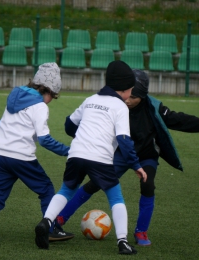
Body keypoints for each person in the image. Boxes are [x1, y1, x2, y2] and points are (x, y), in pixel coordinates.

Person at [56, 69, 199, 246]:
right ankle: (61, 218)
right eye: (128, 96)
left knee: (148, 185)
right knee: (94, 183)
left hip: (146, 156)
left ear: (143, 95)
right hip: (122, 155)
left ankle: (141, 232)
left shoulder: (153, 107)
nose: (128, 100)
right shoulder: (115, 104)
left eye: (134, 97)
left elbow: (179, 120)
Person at [34, 60, 147, 255]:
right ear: (124, 89)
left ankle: (46, 222)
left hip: (76, 153)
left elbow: (69, 124)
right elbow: (124, 141)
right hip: (100, 158)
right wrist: (136, 165)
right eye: (130, 89)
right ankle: (123, 242)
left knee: (65, 191)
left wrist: (83, 135)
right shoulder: (121, 107)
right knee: (116, 197)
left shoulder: (91, 99)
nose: (130, 94)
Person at [0, 62, 74, 243]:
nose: (50, 101)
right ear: (49, 90)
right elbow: (45, 140)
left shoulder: (15, 95)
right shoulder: (40, 106)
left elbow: (0, 125)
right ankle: (52, 229)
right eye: (52, 96)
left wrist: (2, 146)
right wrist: (69, 151)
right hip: (22, 158)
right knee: (46, 189)